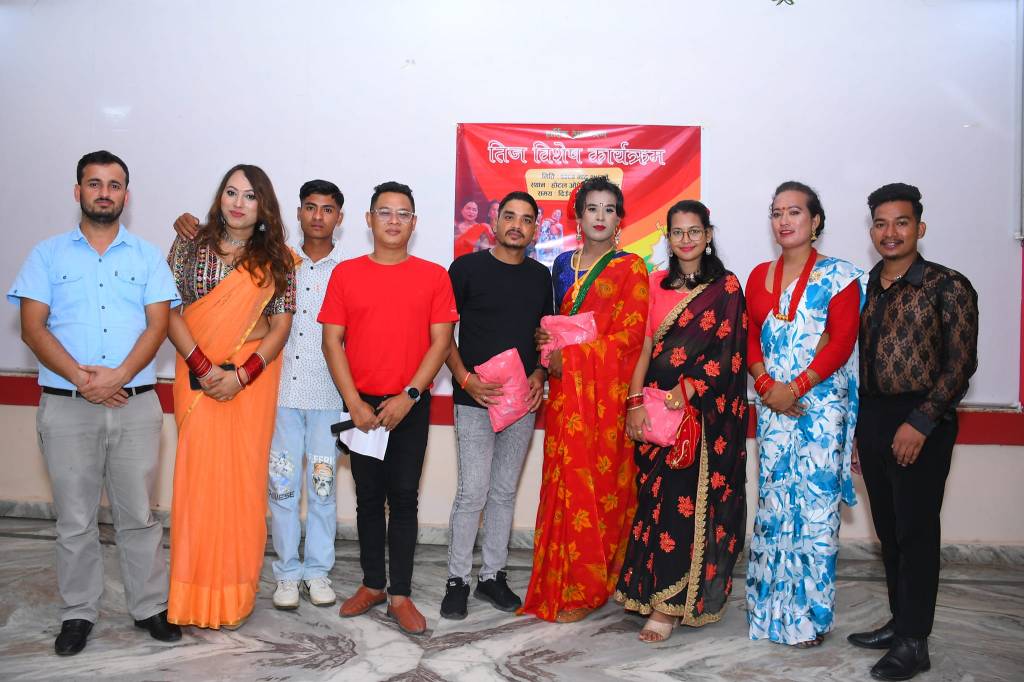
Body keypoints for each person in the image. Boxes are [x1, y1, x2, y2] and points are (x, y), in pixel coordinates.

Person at [8, 150, 181, 654]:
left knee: (138, 516)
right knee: (75, 519)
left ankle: (150, 607)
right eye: (94, 183)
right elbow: (32, 327)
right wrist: (84, 380)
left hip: (135, 403)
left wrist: (118, 377)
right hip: (66, 405)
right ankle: (78, 614)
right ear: (77, 191)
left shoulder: (148, 256)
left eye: (114, 185)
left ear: (127, 196)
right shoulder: (46, 255)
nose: (104, 192)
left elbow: (158, 325)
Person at [171, 179, 346, 611]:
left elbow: (279, 326)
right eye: (310, 207)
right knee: (282, 488)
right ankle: (286, 572)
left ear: (340, 219)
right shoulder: (286, 261)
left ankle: (318, 571)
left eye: (328, 209)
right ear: (298, 212)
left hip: (327, 395)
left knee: (323, 489)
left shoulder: (345, 269)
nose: (318, 216)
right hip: (280, 395)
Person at [848, 183, 978, 681]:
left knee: (917, 531)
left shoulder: (947, 285)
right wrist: (860, 432)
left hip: (923, 419)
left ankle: (914, 643)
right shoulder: (866, 287)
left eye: (901, 222)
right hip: (875, 418)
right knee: (889, 530)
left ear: (919, 228)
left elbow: (960, 364)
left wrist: (920, 423)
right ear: (871, 231)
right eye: (880, 223)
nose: (890, 232)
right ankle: (901, 622)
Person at [320, 181, 458, 635]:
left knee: (403, 500)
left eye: (403, 214)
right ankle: (372, 584)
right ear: (369, 220)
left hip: (410, 405)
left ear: (414, 224)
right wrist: (355, 403)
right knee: (366, 499)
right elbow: (332, 341)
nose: (393, 220)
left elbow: (441, 343)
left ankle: (400, 593)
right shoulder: (346, 274)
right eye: (385, 212)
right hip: (361, 407)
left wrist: (411, 395)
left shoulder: (434, 276)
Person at [165, 164, 296, 629]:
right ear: (220, 197)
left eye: (250, 196)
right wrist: (202, 367)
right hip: (196, 379)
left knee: (242, 485)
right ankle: (190, 599)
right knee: (196, 486)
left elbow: (281, 326)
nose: (238, 202)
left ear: (263, 206)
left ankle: (234, 598)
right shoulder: (188, 244)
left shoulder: (278, 257)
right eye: (231, 192)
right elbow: (169, 310)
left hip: (250, 385)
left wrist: (241, 376)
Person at [615, 200, 748, 642]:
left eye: (695, 231)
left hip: (700, 419)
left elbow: (730, 354)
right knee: (651, 502)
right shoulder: (655, 283)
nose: (687, 239)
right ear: (667, 237)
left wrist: (687, 390)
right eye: (678, 232)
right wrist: (634, 402)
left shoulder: (726, 288)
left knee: (681, 507)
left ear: (708, 235)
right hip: (655, 412)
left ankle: (669, 608)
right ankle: (649, 592)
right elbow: (646, 346)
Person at [520, 175, 648, 622]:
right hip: (566, 400)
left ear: (619, 220)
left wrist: (570, 359)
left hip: (607, 399)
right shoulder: (560, 267)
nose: (599, 216)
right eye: (591, 208)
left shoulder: (631, 267)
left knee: (604, 487)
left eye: (609, 209)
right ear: (578, 218)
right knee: (564, 483)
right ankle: (564, 580)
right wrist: (545, 340)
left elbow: (632, 337)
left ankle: (592, 586)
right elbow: (556, 325)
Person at [744, 181, 864, 647]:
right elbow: (752, 335)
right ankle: (769, 609)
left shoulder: (841, 275)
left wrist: (795, 386)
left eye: (795, 212)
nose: (784, 220)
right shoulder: (758, 275)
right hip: (772, 406)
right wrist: (765, 385)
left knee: (813, 513)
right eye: (776, 212)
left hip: (819, 408)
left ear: (816, 222)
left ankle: (809, 618)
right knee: (775, 505)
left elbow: (841, 340)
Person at [441, 191, 553, 620]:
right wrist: (466, 380)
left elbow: (544, 338)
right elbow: (442, 336)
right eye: (510, 216)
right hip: (473, 400)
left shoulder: (541, 277)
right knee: (473, 492)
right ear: (495, 221)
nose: (517, 225)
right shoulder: (466, 269)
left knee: (504, 493)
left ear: (534, 230)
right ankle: (457, 580)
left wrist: (540, 377)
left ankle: (493, 576)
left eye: (526, 220)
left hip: (521, 404)